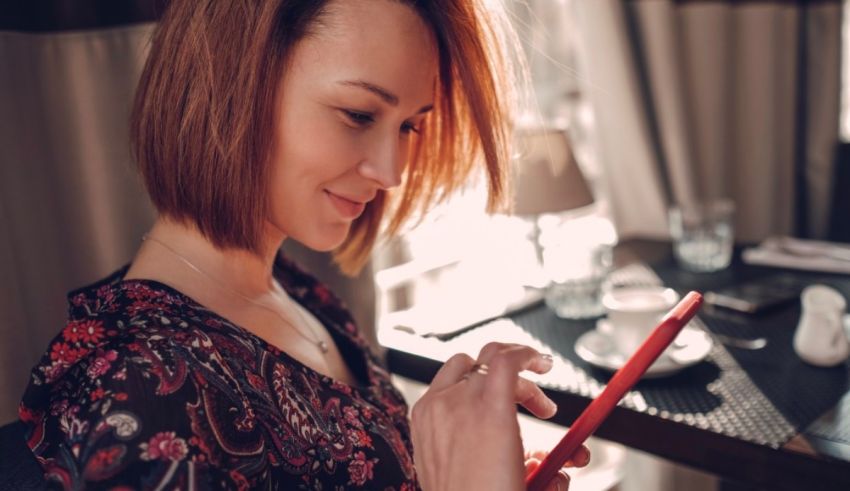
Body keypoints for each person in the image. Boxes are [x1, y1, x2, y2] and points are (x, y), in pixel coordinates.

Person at [18, 0, 589, 489]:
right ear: (230, 81)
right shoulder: (139, 389)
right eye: (359, 114)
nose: (392, 172)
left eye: (409, 126)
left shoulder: (297, 292)